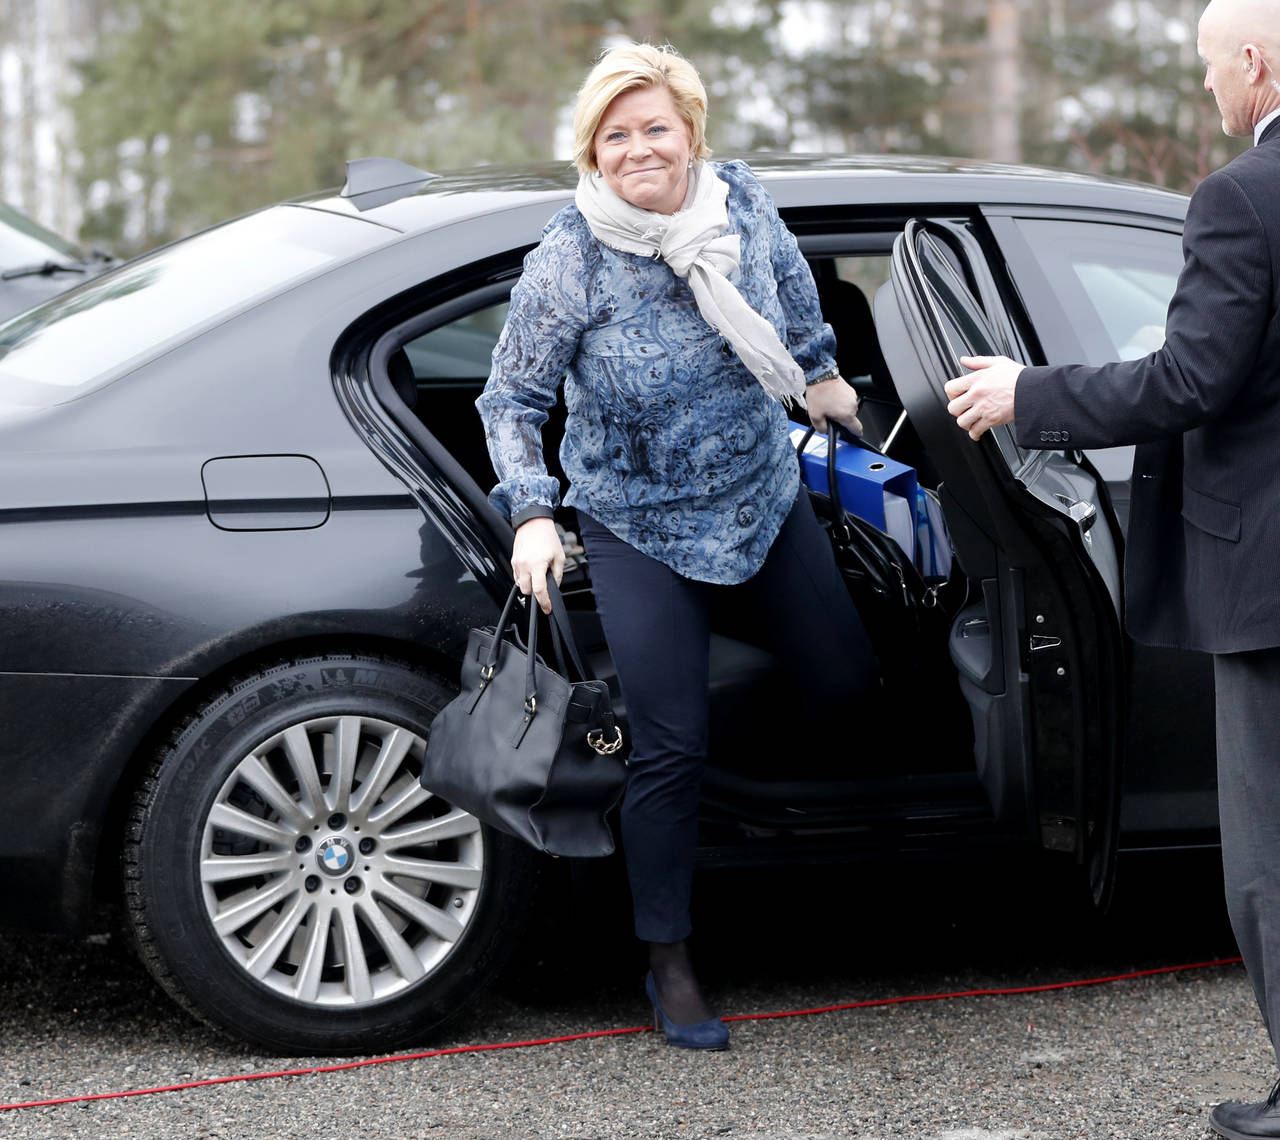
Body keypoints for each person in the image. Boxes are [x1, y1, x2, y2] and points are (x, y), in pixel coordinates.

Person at [476, 42, 877, 1051]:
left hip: (759, 491)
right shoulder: (570, 256)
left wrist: (823, 382)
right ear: (593, 154)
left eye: (654, 127)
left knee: (846, 683)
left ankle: (725, 811)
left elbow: (789, 301)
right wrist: (531, 510)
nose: (638, 147)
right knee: (667, 747)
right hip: (634, 520)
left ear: (690, 133)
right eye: (616, 135)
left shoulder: (739, 204)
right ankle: (668, 957)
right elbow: (511, 399)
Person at [943, 1, 1280, 1134]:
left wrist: (1025, 395)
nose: (1206, 94)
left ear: (1253, 62)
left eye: (1205, 71)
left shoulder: (1238, 198)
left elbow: (1188, 381)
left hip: (1271, 589)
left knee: (1268, 860)